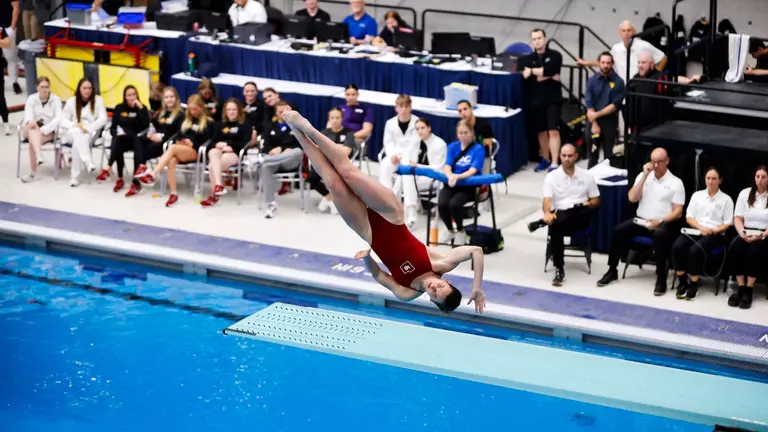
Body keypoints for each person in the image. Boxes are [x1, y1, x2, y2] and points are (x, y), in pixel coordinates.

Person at [281, 108, 486, 314]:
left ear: (431, 301)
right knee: (347, 172)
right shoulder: (441, 264)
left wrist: (367, 259)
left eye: (434, 294)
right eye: (440, 286)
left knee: (332, 181)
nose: (433, 288)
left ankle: (297, 132)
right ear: (447, 281)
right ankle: (307, 127)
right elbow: (476, 251)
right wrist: (477, 287)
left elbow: (380, 276)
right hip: (391, 215)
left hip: (366, 230)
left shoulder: (407, 292)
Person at [597, 147, 685, 295]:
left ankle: (661, 278)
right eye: (653, 162)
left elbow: (678, 212)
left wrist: (660, 220)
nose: (655, 166)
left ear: (667, 161)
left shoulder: (676, 182)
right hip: (641, 221)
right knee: (617, 231)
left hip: (663, 223)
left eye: (659, 162)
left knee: (659, 236)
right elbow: (632, 198)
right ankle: (612, 270)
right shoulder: (643, 177)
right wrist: (644, 176)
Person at [528, 144, 600, 286]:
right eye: (564, 156)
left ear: (576, 156)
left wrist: (587, 203)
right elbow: (547, 200)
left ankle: (541, 223)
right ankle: (559, 269)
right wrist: (547, 213)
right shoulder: (552, 177)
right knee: (556, 225)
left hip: (581, 216)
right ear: (560, 156)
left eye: (570, 156)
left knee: (572, 213)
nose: (567, 159)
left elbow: (596, 200)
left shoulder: (586, 176)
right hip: (560, 218)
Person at [136, 95, 215, 207]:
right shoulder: (186, 120)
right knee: (172, 160)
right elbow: (178, 135)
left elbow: (209, 141)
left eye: (195, 109)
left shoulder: (209, 122)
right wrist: (180, 141)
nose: (193, 112)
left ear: (201, 108)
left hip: (196, 151)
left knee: (172, 148)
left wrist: (193, 144)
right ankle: (173, 193)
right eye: (191, 109)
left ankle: (153, 174)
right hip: (182, 149)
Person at [671, 167, 733, 300]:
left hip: (714, 234)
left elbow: (728, 223)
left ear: (720, 181)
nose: (710, 181)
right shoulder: (697, 195)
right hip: (696, 229)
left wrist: (713, 230)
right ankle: (682, 281)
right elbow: (689, 217)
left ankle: (693, 283)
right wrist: (700, 227)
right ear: (705, 179)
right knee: (678, 246)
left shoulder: (726, 200)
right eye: (708, 178)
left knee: (695, 251)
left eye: (714, 178)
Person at [127, 86, 184, 198]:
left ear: (176, 98)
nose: (169, 99)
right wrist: (151, 133)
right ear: (163, 100)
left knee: (141, 153)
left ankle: (137, 180)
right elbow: (152, 125)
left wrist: (161, 138)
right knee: (138, 139)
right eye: (166, 97)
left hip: (166, 143)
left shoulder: (180, 115)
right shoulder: (160, 113)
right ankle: (141, 167)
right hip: (154, 139)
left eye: (171, 97)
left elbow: (179, 133)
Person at [521, 28, 563, 173]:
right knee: (541, 132)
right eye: (534, 39)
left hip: (553, 99)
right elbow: (527, 76)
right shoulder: (527, 59)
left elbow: (552, 69)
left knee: (553, 131)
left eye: (539, 38)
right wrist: (547, 75)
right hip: (536, 99)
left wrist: (534, 71)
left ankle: (555, 162)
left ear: (545, 39)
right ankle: (545, 158)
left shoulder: (556, 55)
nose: (537, 41)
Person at [438, 120, 486, 246]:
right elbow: (447, 165)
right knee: (442, 204)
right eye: (460, 133)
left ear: (472, 133)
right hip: (452, 182)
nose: (463, 135)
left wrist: (458, 177)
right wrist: (450, 176)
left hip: (469, 186)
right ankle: (449, 229)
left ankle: (460, 230)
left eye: (466, 132)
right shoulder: (452, 147)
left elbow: (473, 170)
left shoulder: (478, 149)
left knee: (454, 205)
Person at [577, 20, 667, 87]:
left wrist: (654, 77)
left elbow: (663, 58)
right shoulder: (616, 48)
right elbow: (605, 62)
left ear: (634, 31)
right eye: (623, 31)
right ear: (619, 33)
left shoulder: (643, 45)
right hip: (622, 88)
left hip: (640, 88)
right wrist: (585, 63)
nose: (626, 33)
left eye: (629, 30)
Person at [727, 166, 768, 310]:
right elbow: (737, 217)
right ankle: (740, 286)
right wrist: (742, 233)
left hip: (764, 233)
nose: (760, 180)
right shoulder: (745, 193)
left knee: (754, 252)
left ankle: (749, 289)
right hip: (746, 231)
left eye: (763, 177)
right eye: (758, 176)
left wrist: (762, 235)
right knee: (736, 249)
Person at [97, 85, 150, 193]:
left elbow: (146, 125)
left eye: (134, 94)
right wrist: (117, 133)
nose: (132, 97)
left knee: (136, 139)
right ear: (125, 97)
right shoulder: (119, 108)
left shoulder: (142, 108)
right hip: (123, 140)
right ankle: (119, 178)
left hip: (137, 140)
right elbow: (112, 128)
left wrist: (141, 109)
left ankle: (135, 181)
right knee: (117, 140)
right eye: (129, 95)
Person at [200, 98, 252, 207]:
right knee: (213, 151)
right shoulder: (219, 124)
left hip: (235, 153)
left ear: (238, 110)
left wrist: (230, 147)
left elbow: (245, 143)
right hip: (220, 151)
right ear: (225, 111)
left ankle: (214, 196)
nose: (231, 112)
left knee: (211, 166)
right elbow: (212, 141)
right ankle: (219, 185)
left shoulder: (245, 125)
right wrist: (217, 144)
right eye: (229, 109)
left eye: (234, 109)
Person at [60, 77, 108, 187]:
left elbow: (103, 118)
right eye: (84, 88)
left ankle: (74, 177)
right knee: (77, 132)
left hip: (89, 133)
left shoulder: (98, 100)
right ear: (79, 89)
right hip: (72, 132)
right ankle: (88, 161)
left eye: (90, 88)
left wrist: (89, 128)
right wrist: (74, 125)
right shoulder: (71, 101)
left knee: (78, 142)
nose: (87, 90)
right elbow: (62, 120)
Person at [260, 100, 304, 219]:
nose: (283, 114)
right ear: (276, 114)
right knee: (266, 167)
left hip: (290, 162)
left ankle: (263, 161)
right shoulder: (269, 127)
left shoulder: (297, 126)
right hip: (274, 161)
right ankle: (271, 204)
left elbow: (302, 146)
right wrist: (274, 151)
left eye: (285, 111)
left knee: (298, 152)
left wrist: (284, 148)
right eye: (280, 112)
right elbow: (265, 147)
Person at [309, 107, 356, 214]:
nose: (335, 120)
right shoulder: (324, 133)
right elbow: (317, 150)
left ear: (342, 119)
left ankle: (338, 201)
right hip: (325, 164)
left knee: (335, 178)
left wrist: (328, 149)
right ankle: (329, 198)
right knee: (312, 177)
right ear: (329, 119)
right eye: (332, 118)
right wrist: (337, 147)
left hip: (340, 165)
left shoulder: (348, 133)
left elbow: (346, 152)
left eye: (337, 118)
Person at [402, 118, 447, 227]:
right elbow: (406, 158)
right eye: (417, 129)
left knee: (407, 180)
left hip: (434, 178)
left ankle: (407, 212)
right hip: (417, 176)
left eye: (422, 128)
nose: (419, 131)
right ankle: (409, 212)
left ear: (429, 128)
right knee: (405, 178)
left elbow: (437, 168)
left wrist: (418, 166)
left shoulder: (439, 144)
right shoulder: (415, 142)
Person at [585, 52, 625, 167]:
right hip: (592, 121)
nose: (605, 65)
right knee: (592, 154)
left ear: (612, 64)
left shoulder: (619, 82)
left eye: (608, 63)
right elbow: (588, 101)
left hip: (609, 122)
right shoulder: (592, 80)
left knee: (609, 155)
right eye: (603, 63)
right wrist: (594, 123)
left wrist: (596, 115)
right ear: (599, 63)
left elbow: (614, 105)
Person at [20, 77, 62, 183]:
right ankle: (39, 155)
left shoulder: (56, 99)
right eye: (42, 87)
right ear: (37, 87)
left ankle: (33, 172)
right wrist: (34, 123)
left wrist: (44, 128)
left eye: (46, 87)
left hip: (48, 131)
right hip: (31, 127)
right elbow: (28, 117)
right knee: (32, 128)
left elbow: (58, 118)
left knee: (32, 140)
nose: (44, 89)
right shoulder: (31, 99)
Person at [379, 94, 419, 196]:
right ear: (396, 108)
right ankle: (385, 196)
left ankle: (394, 198)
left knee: (404, 171)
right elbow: (387, 143)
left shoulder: (418, 122)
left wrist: (404, 157)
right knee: (384, 166)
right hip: (394, 154)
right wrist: (392, 156)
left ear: (411, 107)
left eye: (406, 106)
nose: (404, 110)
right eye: (401, 106)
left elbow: (416, 143)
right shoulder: (390, 123)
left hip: (410, 156)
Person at [1, 0, 21, 96]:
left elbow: (16, 7)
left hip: (6, 28)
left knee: (11, 57)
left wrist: (12, 26)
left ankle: (14, 82)